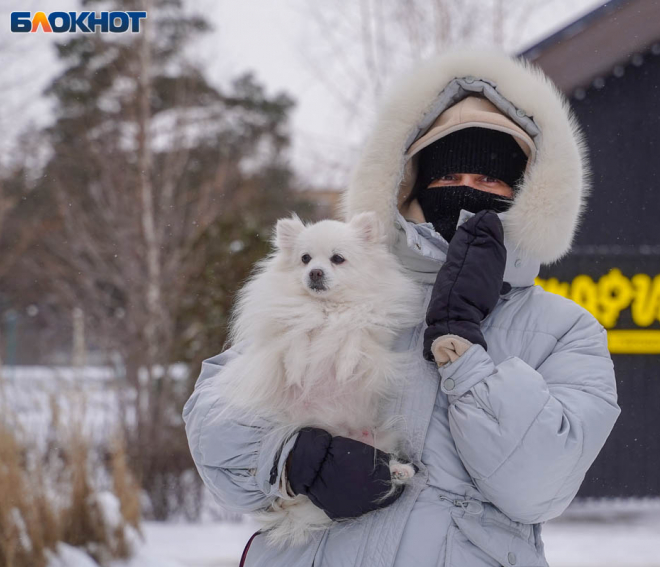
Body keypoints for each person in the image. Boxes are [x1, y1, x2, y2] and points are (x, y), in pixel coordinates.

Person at [183, 49, 620, 567]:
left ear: (527, 194)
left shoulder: (566, 331)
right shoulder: (343, 294)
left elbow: (539, 486)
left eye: (489, 180)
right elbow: (215, 420)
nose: (466, 193)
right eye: (447, 178)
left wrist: (464, 349)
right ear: (413, 185)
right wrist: (292, 460)